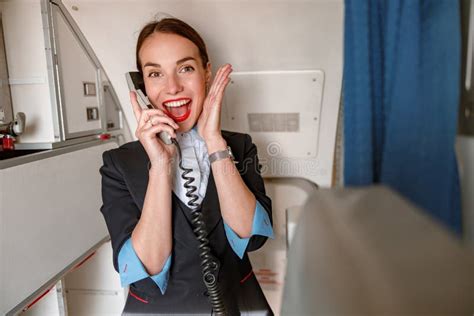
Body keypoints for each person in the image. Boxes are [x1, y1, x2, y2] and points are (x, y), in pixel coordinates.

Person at [99, 17, 274, 315]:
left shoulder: (239, 146)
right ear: (141, 85)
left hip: (238, 304)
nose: (172, 87)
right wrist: (159, 165)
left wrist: (215, 144)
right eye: (155, 74)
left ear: (206, 72)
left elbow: (252, 237)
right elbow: (146, 265)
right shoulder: (118, 164)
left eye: (186, 68)